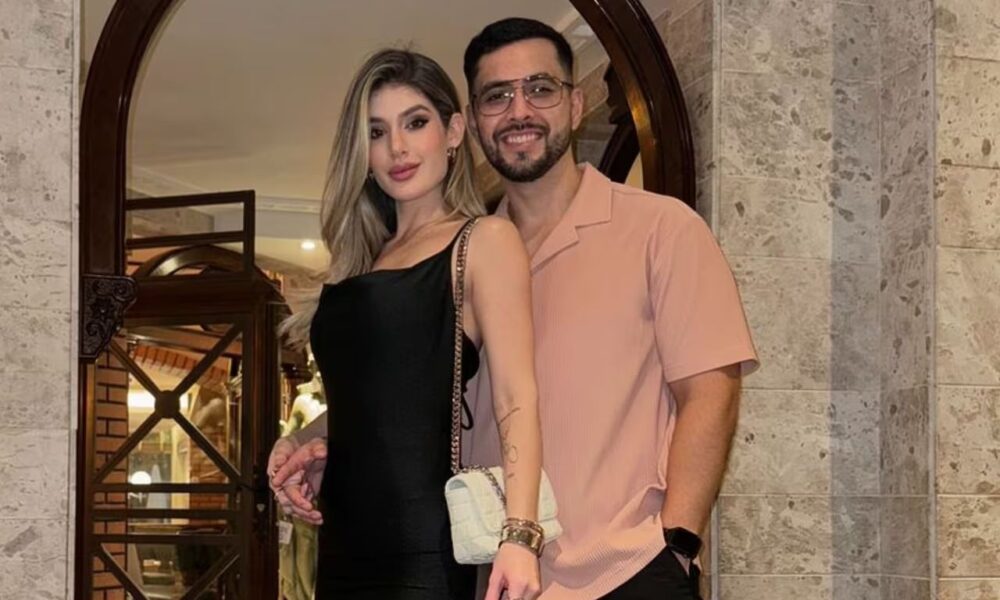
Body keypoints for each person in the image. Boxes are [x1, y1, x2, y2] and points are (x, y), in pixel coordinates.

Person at [273, 18, 758, 599]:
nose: (519, 110)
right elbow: (415, 393)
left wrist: (677, 544)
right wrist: (310, 440)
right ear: (473, 121)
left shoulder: (660, 228)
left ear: (575, 104)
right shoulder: (466, 251)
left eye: (540, 88)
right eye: (497, 96)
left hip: (623, 570)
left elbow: (710, 392)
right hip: (495, 575)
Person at [272, 48, 544, 600]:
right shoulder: (358, 260)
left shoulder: (484, 241)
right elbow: (376, 400)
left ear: (453, 131)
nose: (396, 147)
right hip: (342, 540)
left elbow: (516, 396)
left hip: (422, 542)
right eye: (377, 132)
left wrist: (520, 536)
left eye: (415, 123)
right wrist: (297, 440)